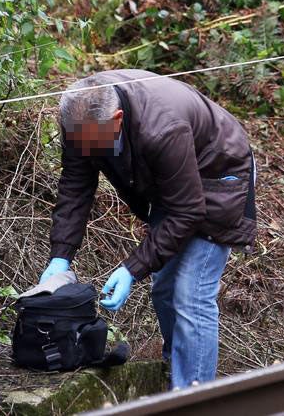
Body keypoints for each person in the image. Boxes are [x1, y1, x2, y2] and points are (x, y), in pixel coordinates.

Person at [39, 69, 256, 389]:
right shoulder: (80, 120)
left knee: (190, 295)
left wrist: (132, 268)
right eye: (77, 141)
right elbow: (75, 186)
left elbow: (188, 211)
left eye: (90, 143)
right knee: (164, 288)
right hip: (173, 185)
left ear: (117, 119)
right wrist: (61, 257)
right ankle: (175, 368)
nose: (83, 149)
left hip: (218, 178)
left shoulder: (162, 129)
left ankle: (194, 398)